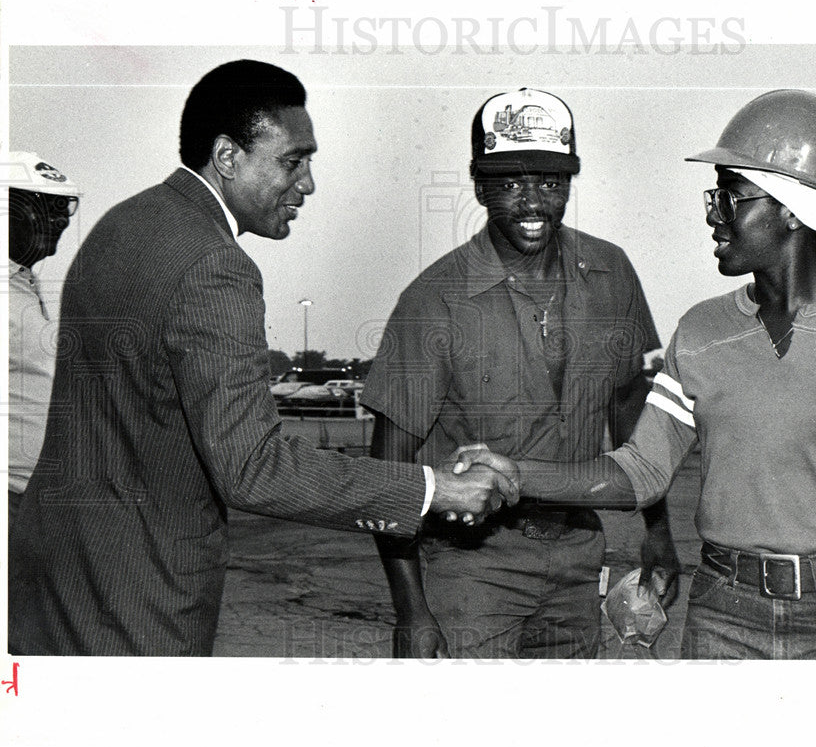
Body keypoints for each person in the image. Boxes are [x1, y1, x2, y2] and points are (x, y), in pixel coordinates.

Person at [7, 60, 516, 657]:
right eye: (292, 160)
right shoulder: (214, 264)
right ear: (227, 156)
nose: (307, 183)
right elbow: (252, 466)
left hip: (52, 569)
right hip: (137, 591)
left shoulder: (124, 224)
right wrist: (433, 492)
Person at [488, 89, 816, 659]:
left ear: (792, 208)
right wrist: (512, 474)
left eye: (730, 197)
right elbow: (641, 471)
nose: (713, 213)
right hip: (723, 616)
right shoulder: (702, 330)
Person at [361, 88, 677, 659]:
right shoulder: (434, 300)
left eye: (551, 182)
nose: (533, 202)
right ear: (480, 187)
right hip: (472, 569)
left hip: (581, 555)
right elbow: (390, 469)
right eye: (510, 183)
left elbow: (631, 415)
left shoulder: (611, 273)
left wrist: (658, 534)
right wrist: (412, 610)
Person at [6, 153, 79, 530]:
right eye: (47, 207)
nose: (61, 220)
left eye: (64, 207)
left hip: (35, 495)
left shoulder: (23, 282)